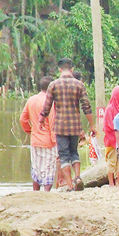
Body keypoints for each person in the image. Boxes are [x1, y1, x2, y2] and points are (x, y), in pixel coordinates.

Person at [39, 58, 96, 192]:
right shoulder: (79, 85)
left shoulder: (53, 85)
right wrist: (92, 125)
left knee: (64, 155)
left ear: (59, 69)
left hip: (60, 126)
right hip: (75, 125)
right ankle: (77, 177)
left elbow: (46, 107)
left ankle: (70, 185)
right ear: (71, 69)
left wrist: (41, 121)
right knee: (74, 152)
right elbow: (86, 106)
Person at [19, 76, 57, 191]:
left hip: (35, 140)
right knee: (48, 168)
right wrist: (56, 142)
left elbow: (23, 119)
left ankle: (35, 192)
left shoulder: (31, 100)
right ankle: (46, 193)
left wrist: (30, 131)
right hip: (48, 141)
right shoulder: (51, 102)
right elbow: (52, 123)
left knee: (36, 167)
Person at [101, 85, 119, 187]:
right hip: (111, 140)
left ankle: (118, 181)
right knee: (112, 161)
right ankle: (111, 182)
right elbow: (108, 126)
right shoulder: (110, 108)